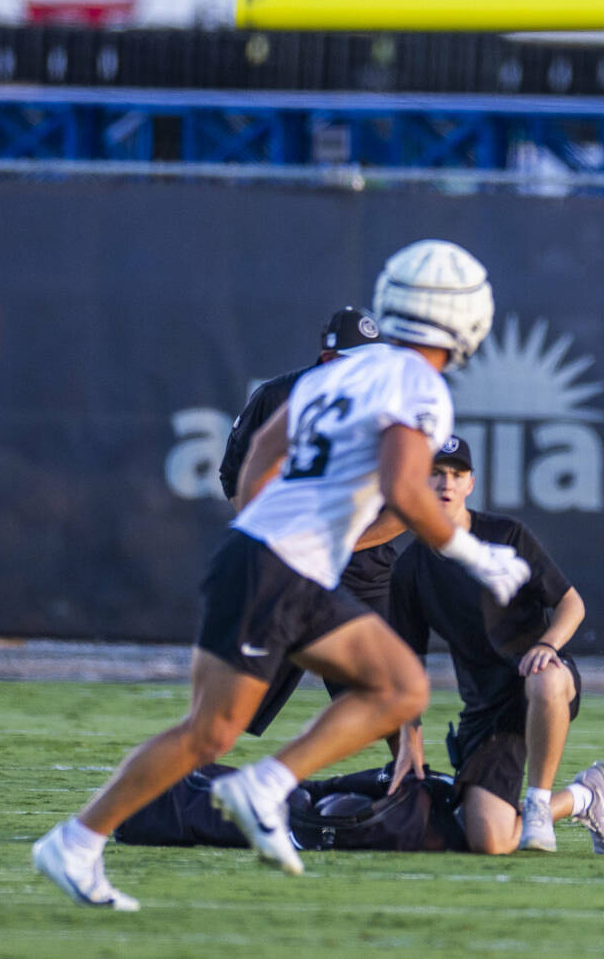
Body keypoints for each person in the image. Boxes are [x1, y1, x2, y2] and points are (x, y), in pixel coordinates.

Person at [32, 238, 531, 910]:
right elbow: (404, 487)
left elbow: (260, 455)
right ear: (469, 318)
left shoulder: (333, 375)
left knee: (395, 688)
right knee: (213, 732)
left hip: (271, 560)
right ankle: (95, 834)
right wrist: (473, 552)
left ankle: (121, 828)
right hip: (279, 568)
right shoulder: (421, 385)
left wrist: (277, 531)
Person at [387, 435, 604, 855]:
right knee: (490, 841)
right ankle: (584, 796)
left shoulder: (506, 534)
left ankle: (536, 802)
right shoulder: (410, 568)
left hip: (541, 680)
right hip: (487, 711)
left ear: (470, 484)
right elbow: (405, 665)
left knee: (545, 681)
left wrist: (548, 645)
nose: (446, 483)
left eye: (456, 475)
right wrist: (410, 740)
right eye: (436, 474)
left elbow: (571, 603)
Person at [217, 305, 402, 735]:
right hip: (289, 569)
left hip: (362, 571)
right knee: (233, 703)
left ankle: (408, 785)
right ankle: (198, 785)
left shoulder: (391, 409)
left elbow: (406, 508)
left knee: (390, 694)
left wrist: (342, 543)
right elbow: (235, 476)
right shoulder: (280, 399)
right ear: (327, 361)